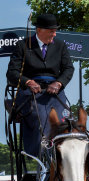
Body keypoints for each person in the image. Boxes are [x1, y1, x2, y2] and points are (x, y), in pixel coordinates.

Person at [6, 14, 74, 157]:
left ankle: (64, 156)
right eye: (51, 31)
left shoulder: (60, 46)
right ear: (39, 30)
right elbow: (12, 72)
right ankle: (42, 155)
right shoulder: (22, 45)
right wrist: (28, 82)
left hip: (55, 91)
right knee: (41, 118)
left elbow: (68, 68)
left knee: (64, 121)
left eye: (55, 30)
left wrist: (59, 82)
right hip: (31, 92)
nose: (54, 34)